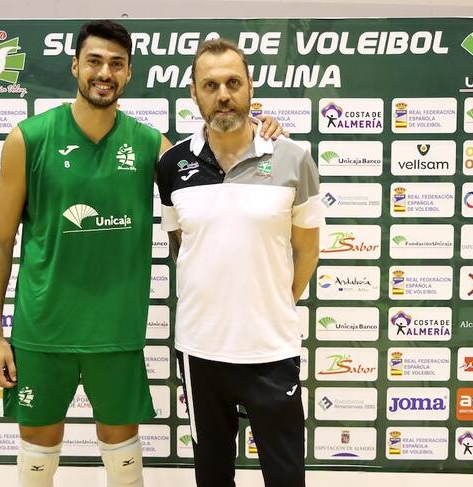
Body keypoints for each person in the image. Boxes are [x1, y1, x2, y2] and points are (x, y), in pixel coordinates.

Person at [0, 21, 284, 487]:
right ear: (75, 66)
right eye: (95, 61)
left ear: (128, 74)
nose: (105, 73)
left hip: (117, 332)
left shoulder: (150, 146)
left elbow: (213, 166)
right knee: (38, 452)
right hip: (41, 330)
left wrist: (259, 130)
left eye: (116, 64)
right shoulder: (29, 138)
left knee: (122, 456)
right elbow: (0, 241)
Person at [157, 38, 323, 487]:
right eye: (210, 85)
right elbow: (180, 244)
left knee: (286, 477)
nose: (223, 95)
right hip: (200, 350)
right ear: (194, 93)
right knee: (212, 475)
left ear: (250, 87)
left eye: (233, 83)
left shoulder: (293, 158)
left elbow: (307, 249)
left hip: (271, 350)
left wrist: (275, 302)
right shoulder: (172, 165)